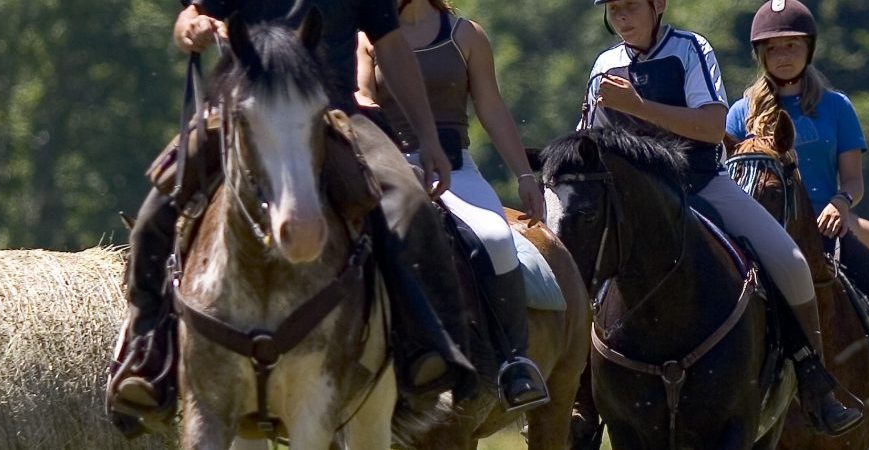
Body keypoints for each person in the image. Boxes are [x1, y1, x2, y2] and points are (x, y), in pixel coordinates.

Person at [106, 0, 479, 429]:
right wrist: (192, 30)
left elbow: (391, 47)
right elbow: (190, 17)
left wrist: (427, 138)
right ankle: (147, 351)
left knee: (411, 204)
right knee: (155, 211)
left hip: (333, 112)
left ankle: (426, 348)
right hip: (241, 111)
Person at [580, 0, 861, 435]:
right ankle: (581, 405)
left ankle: (814, 383)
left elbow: (713, 128)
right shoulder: (603, 65)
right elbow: (589, 141)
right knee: (581, 268)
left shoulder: (691, 48)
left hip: (701, 187)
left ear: (658, 6)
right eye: (614, 8)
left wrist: (636, 106)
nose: (621, 16)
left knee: (790, 262)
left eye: (631, 5)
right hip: (633, 209)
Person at [352, 0, 549, 412]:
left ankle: (514, 362)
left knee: (495, 239)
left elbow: (491, 108)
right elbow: (362, 95)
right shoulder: (368, 37)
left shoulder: (466, 36)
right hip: (392, 168)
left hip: (457, 170)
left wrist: (525, 175)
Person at [725, 0, 869, 313]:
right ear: (761, 54)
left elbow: (853, 180)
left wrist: (841, 202)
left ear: (808, 48)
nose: (783, 56)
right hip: (761, 236)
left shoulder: (837, 107)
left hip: (826, 231)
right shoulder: (740, 113)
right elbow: (731, 182)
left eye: (792, 45)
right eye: (773, 48)